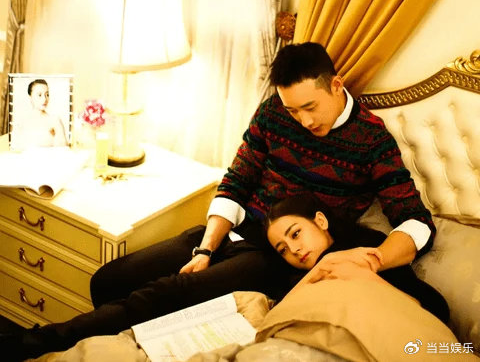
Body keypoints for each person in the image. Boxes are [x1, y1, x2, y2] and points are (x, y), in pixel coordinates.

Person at [1, 42, 437, 361]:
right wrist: (206, 248)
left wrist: (373, 260)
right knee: (109, 280)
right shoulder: (273, 112)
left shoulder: (370, 139)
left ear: (336, 85)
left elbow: (415, 222)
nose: (303, 121)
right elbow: (237, 179)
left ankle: (30, 344)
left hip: (276, 254)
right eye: (293, 110)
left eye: (310, 107)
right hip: (233, 229)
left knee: (166, 293)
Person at [265, 193, 449, 324]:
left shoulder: (368, 245)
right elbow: (278, 315)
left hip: (414, 321)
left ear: (320, 221)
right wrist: (322, 268)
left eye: (296, 234)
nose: (294, 250)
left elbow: (427, 306)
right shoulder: (295, 282)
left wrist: (346, 267)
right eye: (283, 250)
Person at [12, 79, 68, 149]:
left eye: (47, 95)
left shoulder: (55, 120)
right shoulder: (21, 121)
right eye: (39, 95)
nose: (44, 99)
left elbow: (63, 149)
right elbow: (15, 148)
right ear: (30, 97)